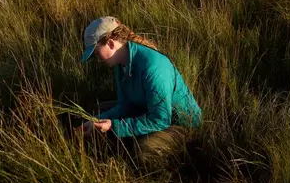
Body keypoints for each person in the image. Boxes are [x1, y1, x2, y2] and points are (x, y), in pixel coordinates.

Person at [77, 16, 202, 169]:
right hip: (145, 108)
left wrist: (114, 126)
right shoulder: (120, 64)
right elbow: (125, 105)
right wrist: (98, 120)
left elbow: (161, 119)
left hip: (179, 123)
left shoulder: (154, 68)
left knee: (144, 152)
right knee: (94, 111)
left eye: (96, 53)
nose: (97, 59)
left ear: (110, 43)